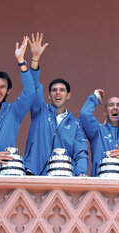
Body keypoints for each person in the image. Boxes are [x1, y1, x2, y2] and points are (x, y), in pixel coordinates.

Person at [24, 33, 88, 176]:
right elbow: (33, 87)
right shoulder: (39, 111)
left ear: (68, 95)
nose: (58, 93)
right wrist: (35, 59)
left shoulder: (76, 124)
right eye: (54, 90)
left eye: (62, 90)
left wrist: (81, 172)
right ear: (49, 95)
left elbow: (81, 152)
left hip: (62, 176)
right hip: (34, 174)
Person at [0, 36, 35, 173]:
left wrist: (21, 61)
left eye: (2, 87)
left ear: (8, 91)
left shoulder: (14, 112)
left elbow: (30, 93)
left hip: (5, 173)